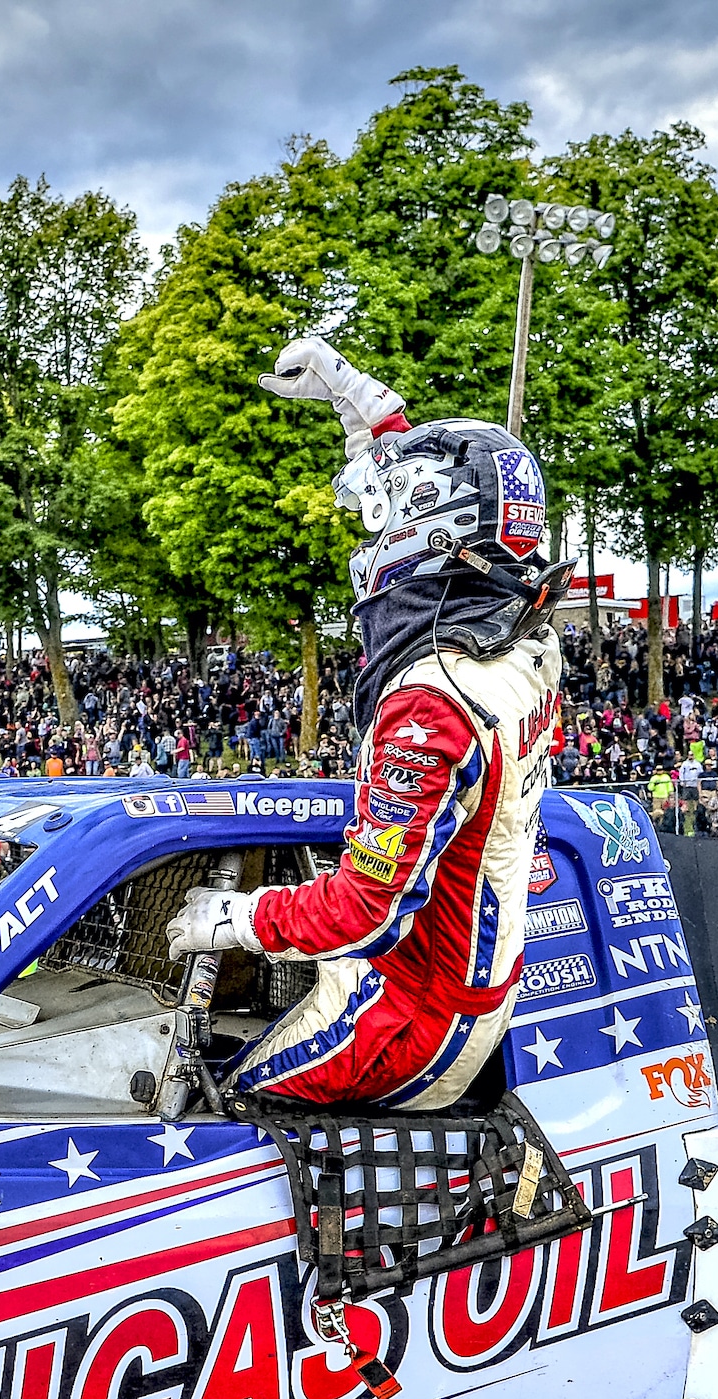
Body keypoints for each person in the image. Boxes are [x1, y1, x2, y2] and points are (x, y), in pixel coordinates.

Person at [165, 335, 565, 1110]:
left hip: (407, 1011)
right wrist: (366, 407)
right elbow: (468, 488)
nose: (368, 539)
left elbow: (364, 909)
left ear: (428, 530)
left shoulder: (432, 701)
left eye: (379, 520)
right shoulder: (518, 632)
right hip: (456, 970)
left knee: (222, 1108)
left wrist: (236, 917)